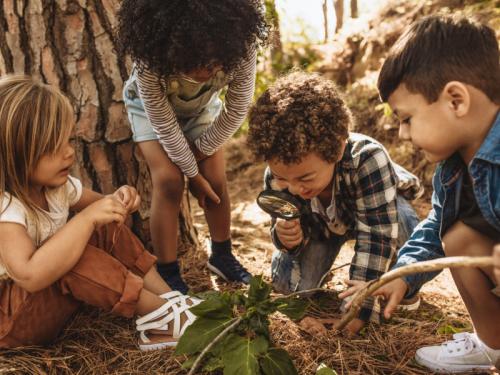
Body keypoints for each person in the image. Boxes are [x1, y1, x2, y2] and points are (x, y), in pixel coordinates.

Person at [0, 75, 200, 350]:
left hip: (45, 305)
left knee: (101, 226)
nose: (69, 153)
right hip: (12, 324)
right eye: (52, 148)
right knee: (74, 250)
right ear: (14, 154)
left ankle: (169, 299)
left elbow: (107, 211)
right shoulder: (6, 208)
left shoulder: (57, 188)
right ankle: (160, 317)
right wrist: (85, 219)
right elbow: (30, 276)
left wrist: (119, 199)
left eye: (69, 140)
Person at [247, 71, 423, 334]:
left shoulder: (368, 159)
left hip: (373, 213)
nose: (294, 188)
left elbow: (376, 237)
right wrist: (287, 239)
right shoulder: (279, 172)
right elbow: (280, 223)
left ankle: (405, 285)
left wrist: (357, 310)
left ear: (338, 149)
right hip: (321, 229)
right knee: (288, 287)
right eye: (284, 179)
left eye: (305, 177)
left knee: (404, 221)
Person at [374, 15, 500, 373]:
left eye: (407, 118)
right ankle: (492, 345)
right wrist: (403, 273)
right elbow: (434, 227)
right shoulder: (452, 168)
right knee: (457, 236)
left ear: (456, 101)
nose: (400, 133)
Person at [116, 0, 269, 293]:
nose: (205, 71)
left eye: (213, 64)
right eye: (194, 62)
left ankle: (222, 256)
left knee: (215, 180)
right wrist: (191, 174)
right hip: (150, 112)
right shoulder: (150, 61)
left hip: (201, 111)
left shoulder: (242, 47)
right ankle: (168, 270)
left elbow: (236, 111)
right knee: (170, 180)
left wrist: (199, 160)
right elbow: (164, 125)